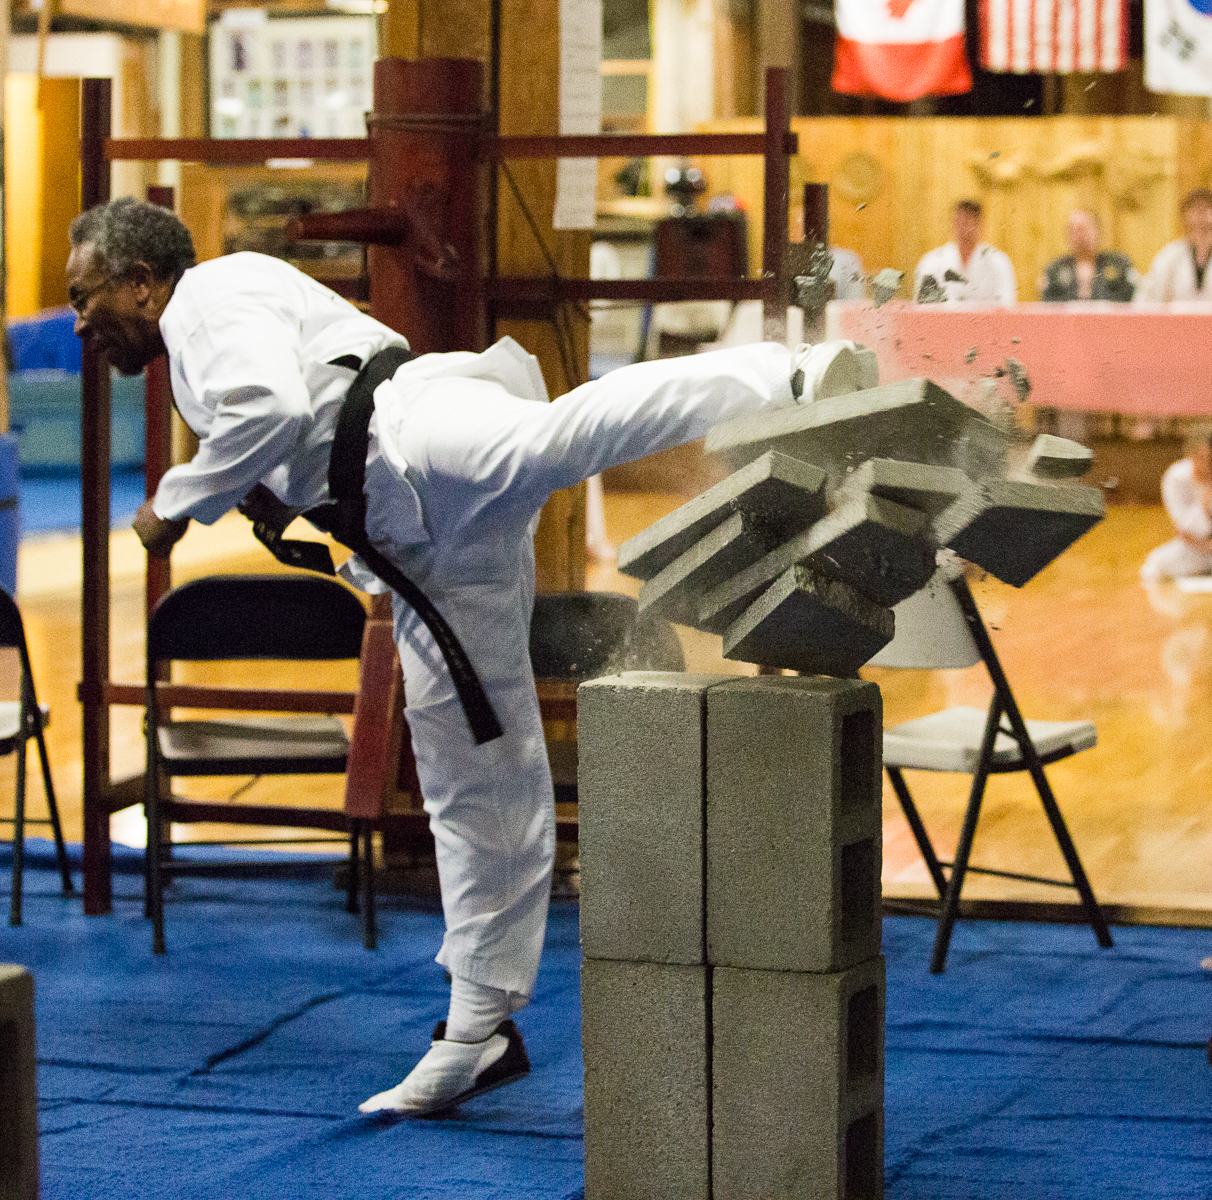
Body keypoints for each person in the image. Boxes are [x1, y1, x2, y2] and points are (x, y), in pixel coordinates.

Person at [68, 196, 878, 1117]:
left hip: (415, 439)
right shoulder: (195, 339)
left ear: (140, 281)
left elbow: (269, 405)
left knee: (553, 441)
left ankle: (794, 374)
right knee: (473, 769)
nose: (80, 320)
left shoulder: (207, 295)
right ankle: (477, 1029)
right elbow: (271, 422)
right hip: (417, 546)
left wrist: (177, 500)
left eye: (85, 295)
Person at [1137, 188, 1212, 308]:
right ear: (1186, 215)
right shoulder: (1171, 254)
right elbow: (1149, 299)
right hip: (1178, 325)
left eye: (1208, 208)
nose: (1201, 213)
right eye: (1195, 208)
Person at [1141, 431, 1212, 581]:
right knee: (1155, 568)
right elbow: (1185, 526)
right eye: (1202, 458)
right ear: (1191, 455)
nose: (1207, 465)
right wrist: (1205, 492)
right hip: (1192, 548)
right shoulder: (1176, 477)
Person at [913, 198, 1017, 304]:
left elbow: (1007, 307)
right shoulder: (932, 262)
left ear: (980, 224)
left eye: (969, 220)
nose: (964, 226)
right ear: (953, 223)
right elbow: (922, 308)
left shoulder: (999, 263)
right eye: (960, 220)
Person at [1039, 208, 1135, 303]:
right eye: (1073, 230)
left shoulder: (1118, 265)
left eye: (1084, 229)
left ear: (1097, 230)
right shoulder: (1055, 269)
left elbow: (1132, 300)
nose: (1079, 235)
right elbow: (1048, 305)